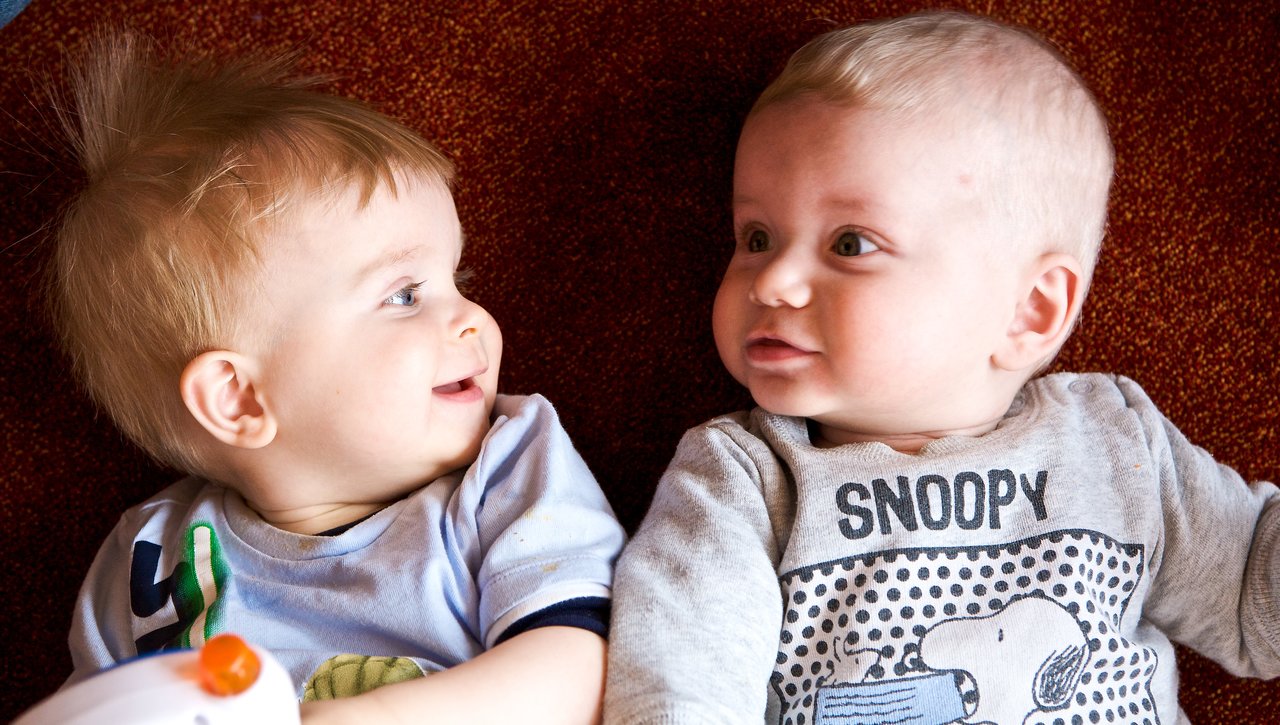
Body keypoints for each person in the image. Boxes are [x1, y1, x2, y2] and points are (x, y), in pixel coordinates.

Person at [603, 10, 1280, 724]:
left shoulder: (1115, 442)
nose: (772, 282)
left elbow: (1251, 599)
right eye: (757, 236)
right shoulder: (744, 477)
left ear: (1029, 312)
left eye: (851, 243)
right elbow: (679, 684)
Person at [50, 31, 625, 724]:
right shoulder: (152, 559)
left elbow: (582, 669)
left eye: (457, 277)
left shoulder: (507, 471)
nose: (472, 316)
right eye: (405, 294)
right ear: (238, 397)